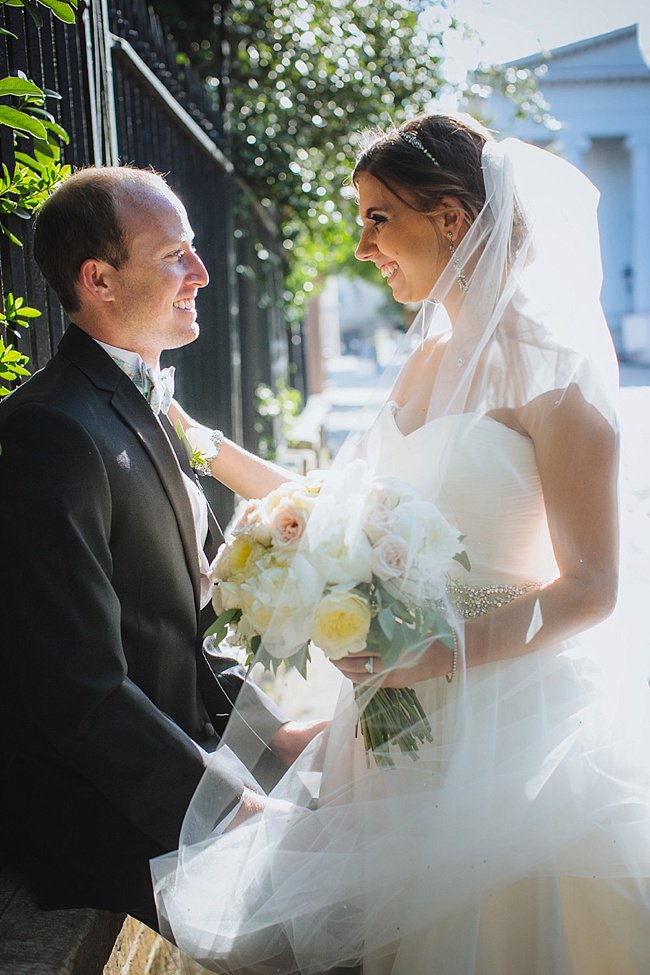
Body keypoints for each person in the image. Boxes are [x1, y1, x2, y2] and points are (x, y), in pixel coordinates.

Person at [154, 114, 650, 975]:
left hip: (511, 710)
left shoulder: (555, 368)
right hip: (398, 707)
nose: (363, 247)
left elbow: (593, 585)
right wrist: (191, 435)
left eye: (379, 218)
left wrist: (438, 653)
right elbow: (335, 507)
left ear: (451, 219)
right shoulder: (424, 361)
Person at [0, 166, 324, 930]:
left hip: (188, 761)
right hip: (108, 814)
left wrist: (277, 736)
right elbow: (79, 689)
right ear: (99, 280)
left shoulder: (142, 404)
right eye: (176, 255)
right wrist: (232, 807)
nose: (201, 272)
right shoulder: (51, 430)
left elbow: (185, 636)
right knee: (353, 920)